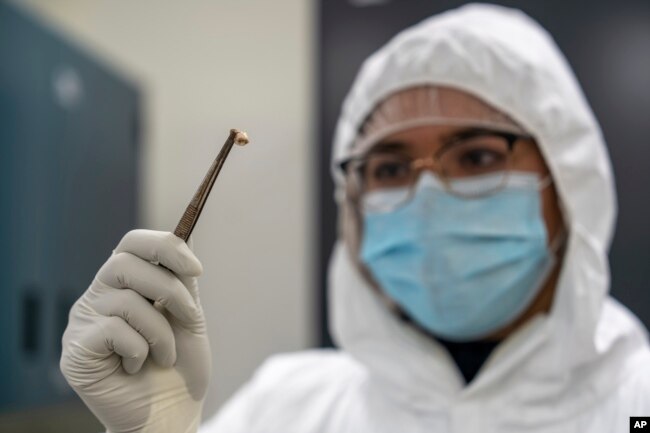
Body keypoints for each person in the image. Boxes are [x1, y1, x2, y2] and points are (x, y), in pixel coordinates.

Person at [60, 4, 650, 432]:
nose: (428, 195)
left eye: (476, 157)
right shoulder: (289, 409)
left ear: (568, 186)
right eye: (390, 169)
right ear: (354, 207)